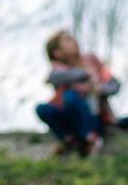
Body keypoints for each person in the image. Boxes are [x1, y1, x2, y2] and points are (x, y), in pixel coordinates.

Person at [37, 29, 119, 157]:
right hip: (71, 119)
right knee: (43, 108)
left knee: (70, 97)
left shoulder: (91, 61)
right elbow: (56, 77)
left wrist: (100, 89)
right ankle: (70, 140)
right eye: (67, 40)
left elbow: (114, 85)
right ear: (57, 52)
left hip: (94, 116)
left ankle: (91, 138)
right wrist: (86, 74)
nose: (74, 41)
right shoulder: (57, 70)